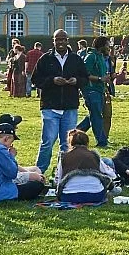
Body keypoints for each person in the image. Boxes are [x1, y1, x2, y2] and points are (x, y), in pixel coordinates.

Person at [31, 29, 89, 173]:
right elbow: (35, 79)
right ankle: (39, 171)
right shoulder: (45, 59)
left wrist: (76, 81)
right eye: (57, 40)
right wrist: (52, 80)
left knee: (67, 143)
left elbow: (85, 78)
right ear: (53, 41)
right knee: (48, 141)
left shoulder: (75, 59)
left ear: (67, 41)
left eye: (63, 39)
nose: (60, 42)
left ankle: (63, 172)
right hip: (50, 106)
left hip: (70, 107)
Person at [0, 115, 48, 203]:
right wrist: (12, 156)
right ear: (6, 139)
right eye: (11, 141)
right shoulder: (0, 150)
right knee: (37, 186)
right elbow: (12, 173)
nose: (11, 145)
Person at [54, 129, 117, 204]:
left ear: (70, 143)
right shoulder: (93, 155)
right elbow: (111, 174)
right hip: (95, 195)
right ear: (87, 143)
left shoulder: (64, 157)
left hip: (69, 196)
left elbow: (58, 178)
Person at [76, 36, 112, 148]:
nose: (109, 47)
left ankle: (75, 133)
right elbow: (84, 74)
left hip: (99, 90)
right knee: (96, 116)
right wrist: (100, 79)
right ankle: (102, 142)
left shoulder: (100, 57)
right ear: (101, 46)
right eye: (107, 45)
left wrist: (105, 85)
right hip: (91, 91)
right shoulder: (91, 56)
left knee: (94, 114)